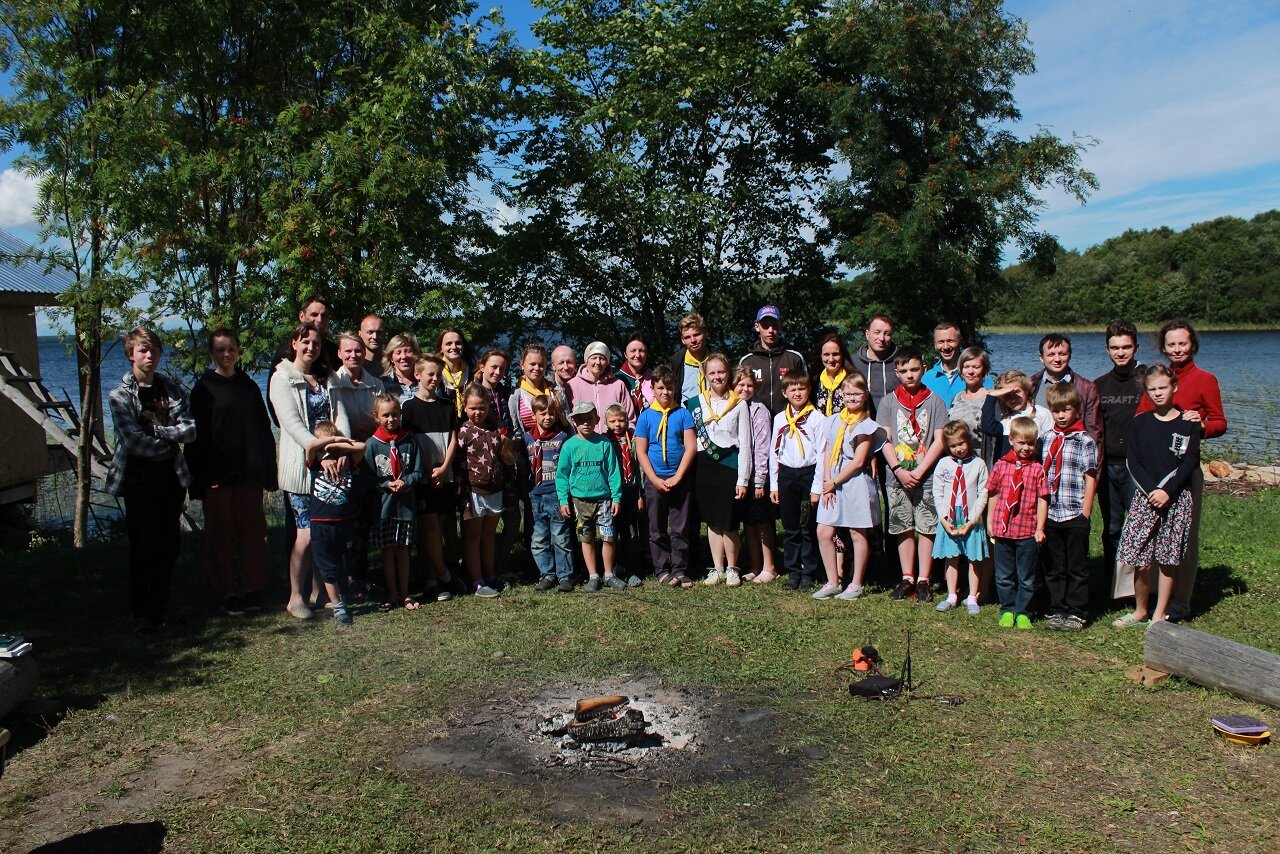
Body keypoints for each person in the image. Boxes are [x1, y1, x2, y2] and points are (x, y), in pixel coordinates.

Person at [106, 327, 197, 635]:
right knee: (143, 545)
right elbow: (133, 441)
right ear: (131, 353)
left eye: (154, 350)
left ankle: (160, 608)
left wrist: (159, 432)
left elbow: (189, 429)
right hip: (138, 479)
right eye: (143, 350)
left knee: (168, 544)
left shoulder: (170, 389)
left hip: (170, 476)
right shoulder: (120, 395)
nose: (149, 355)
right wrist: (167, 439)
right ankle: (141, 613)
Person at [1133, 319, 1226, 621]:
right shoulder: (1155, 378)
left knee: (1184, 538)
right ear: (1164, 347)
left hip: (1185, 473)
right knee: (1149, 536)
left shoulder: (1205, 379)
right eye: (1171, 344)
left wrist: (1201, 425)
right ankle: (1151, 600)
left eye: (1182, 343)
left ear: (1192, 345)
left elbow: (1219, 422)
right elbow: (1141, 417)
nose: (1177, 349)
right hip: (1153, 473)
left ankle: (1180, 602)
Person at [186, 327, 276, 616]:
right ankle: (226, 591)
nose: (226, 354)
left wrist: (268, 471)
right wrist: (198, 480)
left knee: (253, 534)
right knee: (220, 537)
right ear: (212, 353)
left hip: (248, 474)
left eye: (231, 349)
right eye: (220, 350)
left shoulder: (248, 386)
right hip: (217, 476)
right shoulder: (203, 389)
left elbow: (263, 431)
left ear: (238, 351)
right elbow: (195, 438)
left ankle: (251, 588)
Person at [269, 321, 350, 620]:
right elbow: (291, 424)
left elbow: (340, 417)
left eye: (316, 343)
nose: (310, 348)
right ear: (294, 343)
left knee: (325, 531)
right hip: (302, 468)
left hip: (331, 466)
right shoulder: (282, 378)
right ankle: (295, 596)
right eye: (305, 342)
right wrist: (318, 451)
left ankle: (320, 590)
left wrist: (341, 447)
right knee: (306, 533)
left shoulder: (327, 378)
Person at [1113, 365, 1202, 628]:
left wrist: (1167, 490)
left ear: (1174, 387)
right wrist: (1153, 490)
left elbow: (1190, 461)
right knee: (1140, 555)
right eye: (1152, 389)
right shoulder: (1140, 421)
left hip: (1176, 498)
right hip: (1146, 497)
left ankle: (1159, 613)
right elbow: (1134, 460)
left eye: (1163, 387)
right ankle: (1140, 610)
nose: (1158, 393)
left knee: (1168, 557)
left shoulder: (1188, 423)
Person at [878, 346, 948, 602]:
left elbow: (940, 440)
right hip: (897, 475)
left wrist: (920, 469)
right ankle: (907, 576)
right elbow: (883, 438)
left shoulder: (935, 401)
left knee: (927, 526)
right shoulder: (888, 401)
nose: (910, 375)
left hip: (926, 473)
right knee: (902, 526)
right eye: (904, 370)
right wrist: (897, 468)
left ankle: (924, 580)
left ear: (924, 369)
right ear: (896, 372)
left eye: (915, 369)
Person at [810, 374, 880, 600]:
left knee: (857, 532)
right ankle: (833, 581)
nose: (852, 398)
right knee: (824, 531)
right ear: (841, 394)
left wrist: (835, 481)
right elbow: (829, 449)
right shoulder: (833, 421)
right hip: (833, 481)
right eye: (848, 393)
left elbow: (859, 461)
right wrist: (828, 481)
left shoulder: (866, 425)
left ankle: (856, 582)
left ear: (865, 395)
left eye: (857, 394)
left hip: (855, 481)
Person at [689, 354, 752, 587]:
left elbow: (745, 444)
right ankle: (717, 568)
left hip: (729, 465)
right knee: (712, 522)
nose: (717, 376)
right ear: (705, 376)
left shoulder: (739, 403)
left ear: (728, 374)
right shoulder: (697, 403)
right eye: (712, 373)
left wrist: (743, 479)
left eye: (721, 372)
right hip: (704, 465)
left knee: (729, 522)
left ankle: (733, 568)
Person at [401, 355, 459, 603]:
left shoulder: (446, 405)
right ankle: (441, 576)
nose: (434, 379)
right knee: (430, 531)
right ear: (418, 375)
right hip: (424, 476)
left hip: (445, 474)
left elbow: (453, 438)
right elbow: (412, 441)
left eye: (438, 374)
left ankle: (435, 577)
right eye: (430, 374)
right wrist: (428, 469)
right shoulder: (409, 407)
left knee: (441, 528)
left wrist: (445, 467)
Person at [1041, 382, 1098, 631]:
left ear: (1076, 409)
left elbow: (1090, 476)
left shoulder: (1085, 441)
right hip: (1051, 512)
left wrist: (1086, 512)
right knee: (1054, 565)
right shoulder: (1045, 440)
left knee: (1077, 566)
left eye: (1066, 410)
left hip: (1074, 512)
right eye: (1056, 411)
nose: (1061, 415)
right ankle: (1056, 608)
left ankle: (1076, 611)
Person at [1093, 321, 1145, 595]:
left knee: (1139, 525)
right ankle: (1113, 586)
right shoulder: (1099, 384)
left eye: (1126, 347)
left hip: (1139, 467)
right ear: (1107, 349)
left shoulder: (1149, 380)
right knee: (1112, 527)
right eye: (1115, 347)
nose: (1121, 352)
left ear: (1136, 347)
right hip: (1109, 465)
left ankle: (1141, 586)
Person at [635, 365, 697, 588]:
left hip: (679, 480)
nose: (665, 392)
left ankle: (680, 569)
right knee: (657, 527)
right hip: (655, 480)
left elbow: (690, 447)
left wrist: (679, 476)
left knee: (680, 527)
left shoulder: (683, 414)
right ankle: (661, 569)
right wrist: (654, 479)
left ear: (675, 389)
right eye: (660, 388)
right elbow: (640, 451)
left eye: (669, 388)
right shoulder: (645, 417)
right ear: (653, 388)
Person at [985, 416, 1049, 629]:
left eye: (1031, 443)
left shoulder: (1038, 469)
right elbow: (992, 493)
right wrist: (990, 521)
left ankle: (1024, 612)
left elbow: (1043, 499)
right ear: (1011, 440)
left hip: (1027, 532)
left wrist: (1040, 527)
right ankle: (1007, 609)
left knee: (1027, 577)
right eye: (1022, 442)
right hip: (1003, 530)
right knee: (1004, 575)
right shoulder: (1001, 466)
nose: (1026, 448)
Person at [556, 401, 625, 592]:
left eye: (589, 419)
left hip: (604, 500)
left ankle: (609, 574)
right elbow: (561, 475)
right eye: (580, 420)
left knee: (608, 537)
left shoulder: (604, 443)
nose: (585, 423)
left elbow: (613, 472)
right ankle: (593, 575)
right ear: (574, 422)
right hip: (580, 501)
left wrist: (616, 497)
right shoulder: (569, 446)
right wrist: (563, 500)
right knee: (586, 538)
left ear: (596, 419)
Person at [364, 394, 424, 611]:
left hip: (406, 507)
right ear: (376, 417)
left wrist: (406, 481)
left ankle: (405, 593)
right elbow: (367, 477)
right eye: (386, 415)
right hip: (384, 508)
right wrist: (384, 484)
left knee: (404, 549)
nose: (391, 419)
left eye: (395, 414)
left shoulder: (409, 440)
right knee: (388, 551)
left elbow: (419, 472)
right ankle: (391, 593)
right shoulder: (371, 445)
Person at [456, 382, 514, 598]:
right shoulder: (462, 432)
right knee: (473, 536)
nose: (477, 412)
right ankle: (477, 580)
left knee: (489, 535)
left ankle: (490, 575)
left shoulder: (495, 429)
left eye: (481, 407)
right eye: (472, 408)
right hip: (473, 491)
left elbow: (505, 459)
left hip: (495, 489)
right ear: (464, 407)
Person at [306, 421, 366, 627]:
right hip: (320, 523)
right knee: (327, 564)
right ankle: (337, 605)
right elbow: (309, 448)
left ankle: (342, 596)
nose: (326, 449)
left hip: (343, 522)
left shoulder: (347, 460)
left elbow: (362, 447)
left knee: (342, 562)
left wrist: (340, 447)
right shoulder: (315, 463)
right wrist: (327, 445)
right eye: (323, 444)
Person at [769, 373, 823, 591]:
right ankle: (793, 572)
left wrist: (817, 487)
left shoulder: (817, 418)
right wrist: (774, 484)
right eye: (792, 389)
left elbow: (822, 454)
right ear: (784, 393)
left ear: (808, 390)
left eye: (801, 388)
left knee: (808, 526)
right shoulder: (780, 419)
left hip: (809, 474)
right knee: (790, 526)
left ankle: (809, 572)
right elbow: (774, 452)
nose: (797, 393)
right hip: (787, 474)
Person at [931, 421, 990, 615]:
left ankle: (973, 596)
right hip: (949, 517)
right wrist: (943, 519)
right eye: (953, 446)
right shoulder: (943, 464)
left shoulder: (979, 464)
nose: (958, 449)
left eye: (961, 443)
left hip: (971, 517)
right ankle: (951, 595)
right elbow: (937, 492)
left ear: (969, 441)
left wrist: (972, 520)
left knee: (974, 558)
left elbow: (983, 493)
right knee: (951, 557)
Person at [524, 395, 575, 592]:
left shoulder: (562, 439)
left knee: (561, 537)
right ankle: (547, 574)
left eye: (551, 413)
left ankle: (565, 576)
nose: (547, 417)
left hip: (556, 495)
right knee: (539, 539)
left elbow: (566, 469)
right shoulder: (526, 439)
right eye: (543, 413)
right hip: (534, 496)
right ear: (534, 415)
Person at [734, 367, 778, 584]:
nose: (745, 389)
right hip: (739, 475)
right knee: (748, 523)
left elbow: (762, 447)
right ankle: (755, 564)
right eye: (740, 384)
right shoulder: (731, 407)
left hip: (757, 476)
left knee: (762, 521)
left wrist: (760, 480)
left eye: (749, 385)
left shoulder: (759, 410)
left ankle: (770, 566)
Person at [1030, 334, 1103, 458]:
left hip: (1071, 458)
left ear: (1070, 355)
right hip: (1036, 458)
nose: (1057, 359)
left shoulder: (1086, 388)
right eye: (1051, 354)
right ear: (1041, 358)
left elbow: (1095, 433)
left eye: (1062, 354)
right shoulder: (1030, 385)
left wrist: (1093, 473)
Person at [603, 403, 645, 587]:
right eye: (612, 421)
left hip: (630, 490)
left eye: (621, 420)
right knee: (612, 533)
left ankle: (633, 569)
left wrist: (640, 494)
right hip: (612, 493)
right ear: (606, 423)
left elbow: (639, 468)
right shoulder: (603, 442)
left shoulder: (633, 440)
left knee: (631, 533)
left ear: (628, 420)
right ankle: (614, 567)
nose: (617, 424)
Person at [738, 305, 806, 416]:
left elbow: (806, 391)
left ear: (780, 326)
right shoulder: (746, 362)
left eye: (774, 325)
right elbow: (738, 396)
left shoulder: (795, 358)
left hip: (789, 423)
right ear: (757, 326)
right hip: (756, 424)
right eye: (765, 326)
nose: (770, 330)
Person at [980, 370, 1054, 460]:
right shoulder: (1004, 417)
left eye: (1016, 393)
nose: (1012, 399)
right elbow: (987, 428)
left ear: (1026, 390)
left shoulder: (1042, 414)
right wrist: (991, 396)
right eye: (1007, 395)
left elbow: (1050, 446)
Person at [567, 341, 636, 430]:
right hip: (583, 441)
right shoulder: (572, 385)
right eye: (594, 358)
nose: (598, 362)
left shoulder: (618, 385)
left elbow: (630, 418)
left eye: (602, 358)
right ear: (586, 360)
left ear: (607, 362)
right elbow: (568, 419)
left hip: (614, 441)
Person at [331, 332, 384, 442]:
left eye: (358, 351)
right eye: (348, 351)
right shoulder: (332, 384)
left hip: (372, 444)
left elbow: (383, 419)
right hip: (343, 446)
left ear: (365, 353)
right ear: (339, 354)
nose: (353, 355)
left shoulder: (377, 385)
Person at [923, 321, 991, 403]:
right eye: (941, 342)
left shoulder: (976, 376)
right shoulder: (927, 378)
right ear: (935, 344)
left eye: (950, 341)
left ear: (960, 341)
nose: (946, 347)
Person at [946, 347, 993, 465]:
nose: (970, 372)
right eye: (966, 367)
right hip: (956, 462)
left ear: (984, 370)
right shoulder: (956, 398)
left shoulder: (990, 398)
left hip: (981, 462)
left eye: (976, 367)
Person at [509, 343, 569, 433]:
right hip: (528, 444)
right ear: (522, 365)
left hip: (557, 443)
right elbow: (515, 428)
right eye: (532, 364)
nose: (537, 368)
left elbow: (568, 421)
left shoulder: (556, 391)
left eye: (541, 365)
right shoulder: (515, 395)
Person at [850, 313, 900, 413]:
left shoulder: (901, 362)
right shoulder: (852, 363)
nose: (881, 338)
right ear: (867, 334)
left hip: (894, 424)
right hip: (860, 424)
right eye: (877, 332)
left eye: (887, 334)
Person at [810, 331, 854, 418]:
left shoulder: (853, 380)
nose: (831, 359)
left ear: (842, 355)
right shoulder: (814, 381)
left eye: (835, 354)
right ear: (820, 356)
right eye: (826, 354)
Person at [670, 313, 711, 403]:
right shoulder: (675, 365)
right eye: (687, 337)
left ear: (706, 333)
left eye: (696, 334)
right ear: (682, 340)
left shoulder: (718, 362)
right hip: (686, 415)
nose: (693, 340)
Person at [437, 327, 474, 418]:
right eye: (448, 344)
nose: (454, 347)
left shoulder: (473, 372)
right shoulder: (435, 372)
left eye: (458, 343)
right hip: (443, 426)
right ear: (441, 348)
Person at [617, 332, 654, 417]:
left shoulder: (655, 377)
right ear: (625, 354)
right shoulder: (616, 379)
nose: (637, 355)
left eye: (641, 351)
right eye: (633, 351)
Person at [381, 332, 421, 403]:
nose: (404, 357)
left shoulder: (424, 380)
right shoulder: (382, 384)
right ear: (391, 358)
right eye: (398, 352)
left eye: (408, 351)